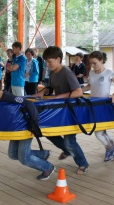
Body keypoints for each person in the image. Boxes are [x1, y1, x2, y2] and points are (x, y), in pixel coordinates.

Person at [0, 77, 55, 180]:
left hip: (26, 128)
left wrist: (34, 124)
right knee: (13, 154)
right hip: (16, 130)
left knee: (24, 158)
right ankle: (43, 154)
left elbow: (28, 103)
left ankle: (48, 167)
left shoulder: (9, 97)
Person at [33, 46, 90, 174]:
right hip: (60, 110)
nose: (47, 65)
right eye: (46, 62)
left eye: (49, 62)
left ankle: (83, 163)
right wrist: (43, 92)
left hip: (71, 110)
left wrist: (59, 96)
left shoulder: (67, 72)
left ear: (58, 59)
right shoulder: (53, 72)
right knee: (50, 133)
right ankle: (67, 150)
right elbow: (50, 87)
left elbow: (78, 92)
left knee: (70, 141)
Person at [82, 51, 114, 162]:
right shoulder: (91, 73)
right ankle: (113, 148)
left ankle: (111, 148)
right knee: (101, 131)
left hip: (104, 105)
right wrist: (79, 90)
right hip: (93, 104)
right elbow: (90, 86)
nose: (92, 66)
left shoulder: (109, 73)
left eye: (94, 63)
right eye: (90, 63)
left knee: (99, 132)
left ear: (101, 60)